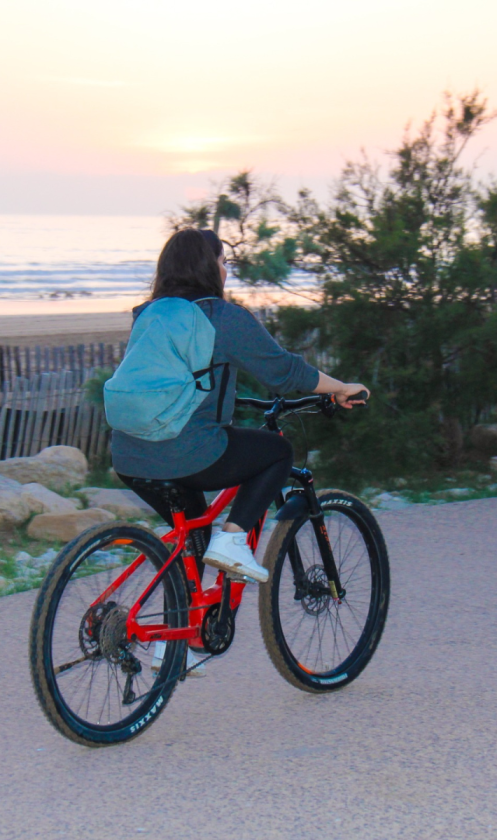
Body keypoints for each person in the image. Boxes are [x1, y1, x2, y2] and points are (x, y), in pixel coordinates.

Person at [112, 228, 369, 674]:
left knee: (194, 537)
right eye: (222, 260)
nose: (226, 269)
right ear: (207, 267)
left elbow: (177, 381)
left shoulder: (148, 315)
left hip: (129, 456)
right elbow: (284, 373)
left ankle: (180, 641)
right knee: (274, 452)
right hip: (186, 450)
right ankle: (234, 539)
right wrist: (341, 387)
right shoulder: (222, 317)